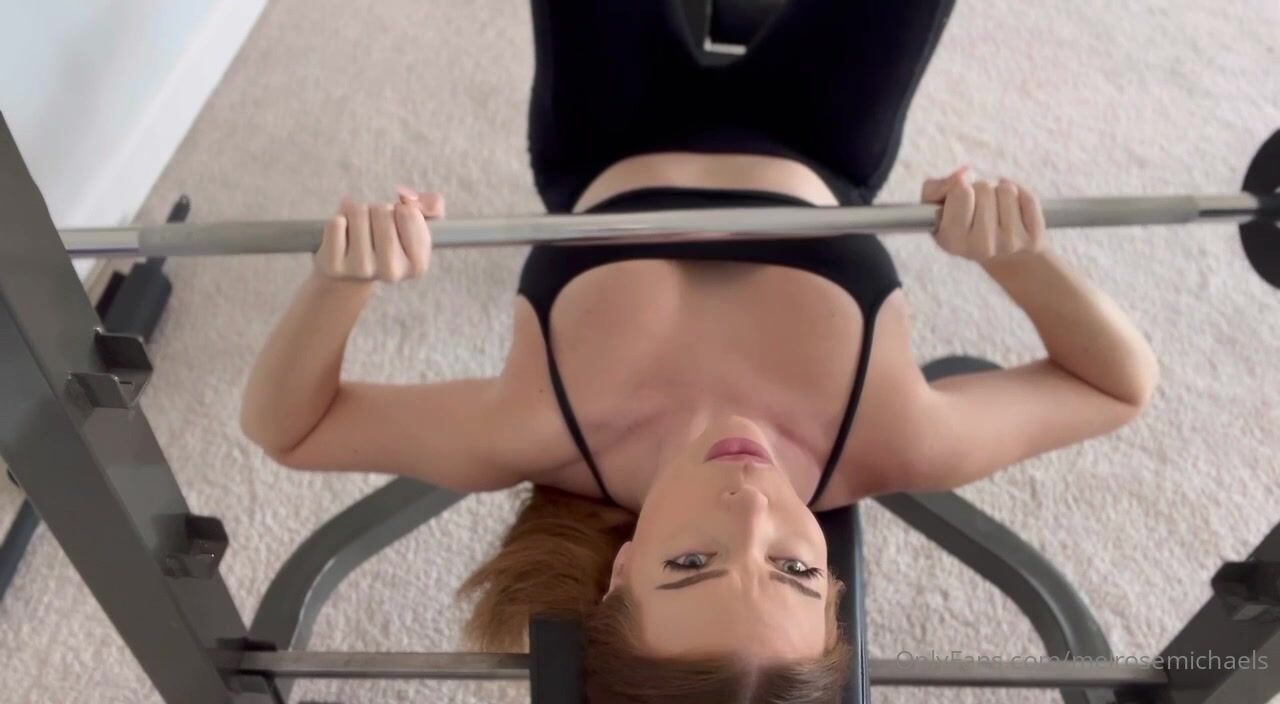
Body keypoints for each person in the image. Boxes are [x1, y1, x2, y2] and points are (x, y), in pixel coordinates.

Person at [240, 0, 1159, 700]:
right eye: (795, 570)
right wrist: (1019, 258)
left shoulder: (544, 428)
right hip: (819, 138)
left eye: (692, 564)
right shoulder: (890, 437)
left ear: (622, 573)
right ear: (835, 590)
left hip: (608, 135)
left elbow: (292, 428)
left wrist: (344, 281)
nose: (751, 510)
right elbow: (1115, 386)